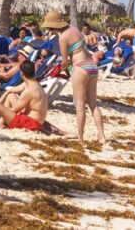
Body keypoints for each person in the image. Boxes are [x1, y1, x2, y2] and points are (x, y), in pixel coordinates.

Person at [43, 10, 106, 145]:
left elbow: (65, 61)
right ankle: (102, 136)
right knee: (93, 104)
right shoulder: (74, 29)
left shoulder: (62, 37)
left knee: (79, 105)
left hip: (80, 67)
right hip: (92, 66)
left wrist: (61, 68)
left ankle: (81, 138)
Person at [0, 60, 58, 133]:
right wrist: (4, 96)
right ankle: (0, 124)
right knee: (10, 96)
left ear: (21, 73)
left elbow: (14, 110)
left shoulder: (29, 91)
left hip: (30, 124)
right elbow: (11, 91)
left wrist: (0, 107)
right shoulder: (34, 84)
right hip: (35, 121)